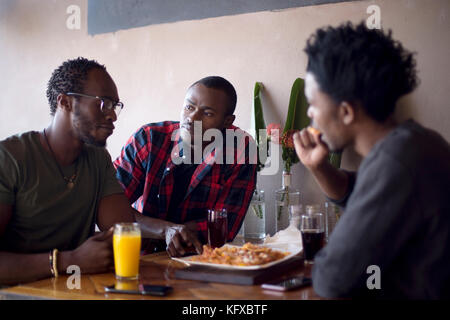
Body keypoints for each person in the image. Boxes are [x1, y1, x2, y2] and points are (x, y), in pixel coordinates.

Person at [293, 22, 450, 299]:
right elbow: (362, 192)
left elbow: (333, 278)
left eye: (313, 103)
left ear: (346, 112)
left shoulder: (397, 161)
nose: (311, 114)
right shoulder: (416, 143)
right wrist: (319, 167)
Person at [0, 57, 164, 285]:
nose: (113, 115)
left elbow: (122, 233)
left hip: (74, 290)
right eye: (104, 103)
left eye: (115, 106)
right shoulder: (10, 158)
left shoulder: (97, 159)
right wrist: (68, 260)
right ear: (65, 102)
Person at [114, 76, 257, 257]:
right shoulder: (149, 139)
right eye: (189, 107)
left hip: (199, 260)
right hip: (137, 256)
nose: (192, 118)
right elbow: (108, 207)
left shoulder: (240, 149)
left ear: (228, 121)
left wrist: (177, 233)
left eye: (207, 113)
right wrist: (165, 230)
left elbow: (225, 225)